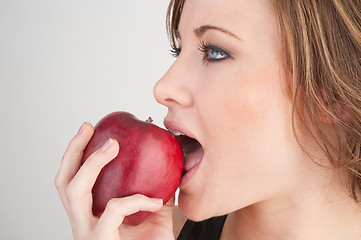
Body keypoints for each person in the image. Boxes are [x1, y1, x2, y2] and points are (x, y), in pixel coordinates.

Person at [55, 0, 361, 239]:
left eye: (214, 52)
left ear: (331, 95)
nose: (162, 88)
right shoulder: (149, 233)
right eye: (179, 50)